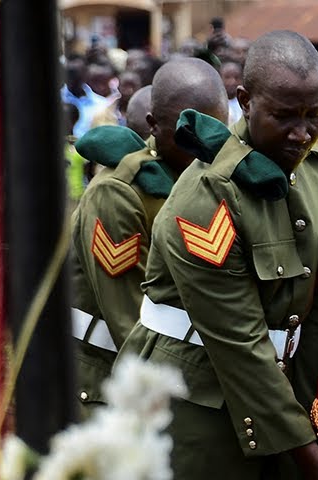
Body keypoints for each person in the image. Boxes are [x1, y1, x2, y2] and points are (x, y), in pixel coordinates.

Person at [117, 31, 318, 480]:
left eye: (315, 115)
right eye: (284, 116)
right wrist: (316, 469)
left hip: (279, 424)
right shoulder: (206, 199)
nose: (302, 133)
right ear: (243, 100)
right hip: (188, 425)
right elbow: (239, 347)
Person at [70, 58, 228, 412]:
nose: (204, 144)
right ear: (155, 127)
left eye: (216, 130)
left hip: (172, 372)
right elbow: (131, 319)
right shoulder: (119, 194)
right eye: (188, 133)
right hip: (107, 382)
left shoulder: (207, 183)